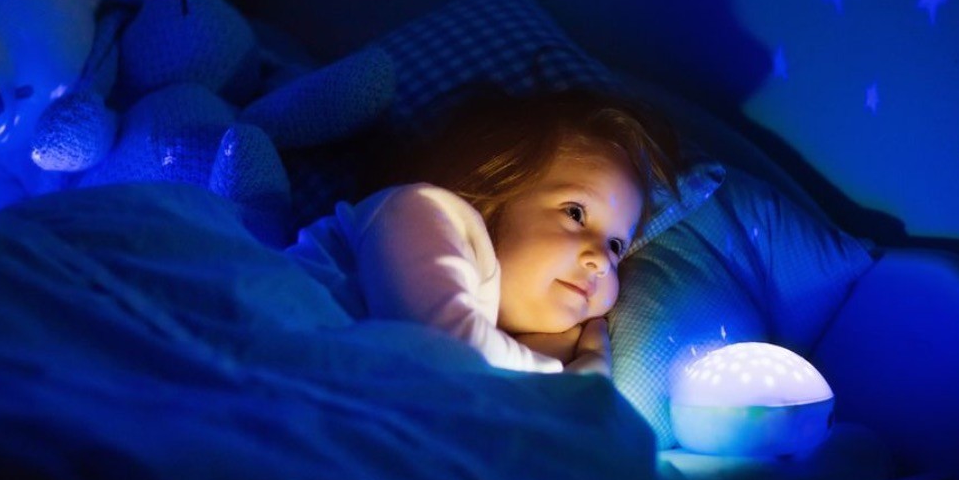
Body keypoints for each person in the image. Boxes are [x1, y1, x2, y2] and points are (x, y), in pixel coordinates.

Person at [287, 87, 679, 375]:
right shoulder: (421, 211)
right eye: (575, 213)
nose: (600, 261)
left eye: (616, 245)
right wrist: (577, 370)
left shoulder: (503, 331)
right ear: (494, 185)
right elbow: (447, 354)